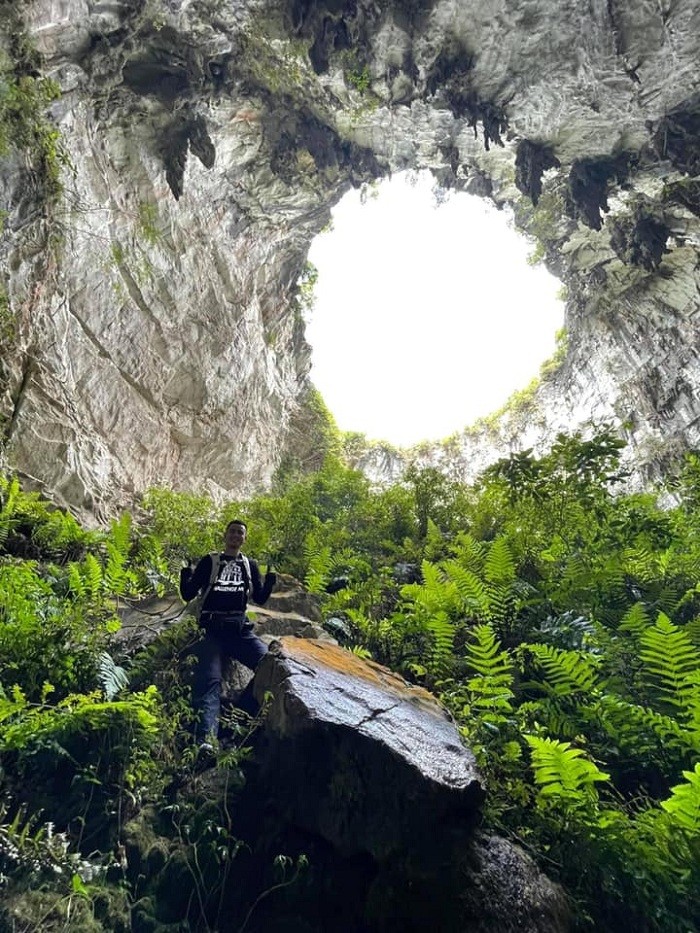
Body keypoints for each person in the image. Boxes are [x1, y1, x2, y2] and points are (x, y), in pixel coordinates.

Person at [179, 519, 276, 749]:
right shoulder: (210, 561)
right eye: (232, 531)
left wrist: (270, 581)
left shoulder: (249, 565)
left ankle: (233, 722)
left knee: (270, 668)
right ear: (225, 535)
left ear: (244, 538)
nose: (235, 536)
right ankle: (206, 742)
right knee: (208, 682)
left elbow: (259, 598)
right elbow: (188, 594)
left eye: (240, 533)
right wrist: (186, 573)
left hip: (239, 631)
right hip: (211, 630)